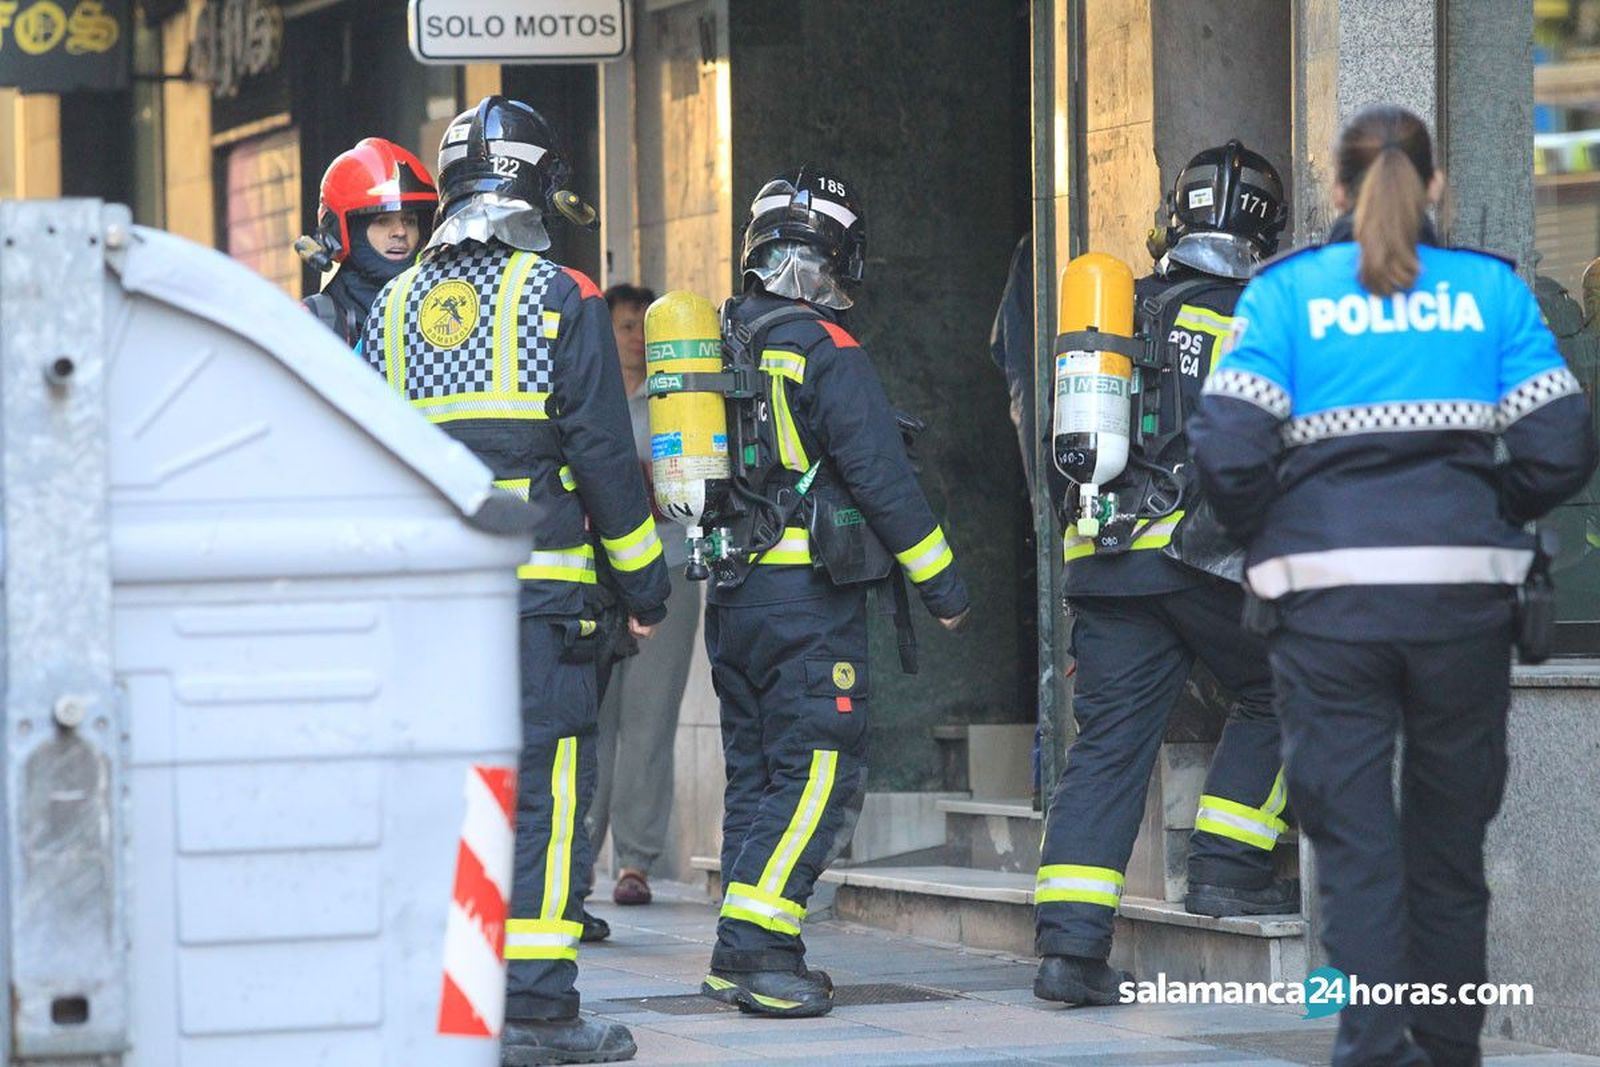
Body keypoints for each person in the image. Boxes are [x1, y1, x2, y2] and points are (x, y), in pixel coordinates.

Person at [1189, 105, 1597, 1067]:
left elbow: (1226, 449)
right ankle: (1451, 1049)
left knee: (1358, 846)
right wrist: (1486, 499)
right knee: (1450, 852)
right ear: (1437, 185)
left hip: (1327, 612)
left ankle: (1373, 1049)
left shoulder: (1284, 294)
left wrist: (1278, 529)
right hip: (1464, 607)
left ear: (1335, 190)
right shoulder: (1492, 292)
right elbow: (1563, 443)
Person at [362, 96, 670, 1067]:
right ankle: (537, 1009)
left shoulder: (394, 302)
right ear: (539, 184)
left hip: (427, 609)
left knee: (448, 794)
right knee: (542, 795)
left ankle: (448, 995)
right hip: (539, 608)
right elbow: (606, 464)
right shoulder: (558, 297)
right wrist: (646, 589)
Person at [1033, 140, 1299, 1008]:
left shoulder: (1116, 320)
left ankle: (1070, 952)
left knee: (1108, 746)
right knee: (1295, 684)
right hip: (1210, 561)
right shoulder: (1271, 317)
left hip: (1108, 565)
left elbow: (1060, 458)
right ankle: (1225, 866)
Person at [699, 167, 970, 1018]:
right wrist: (946, 585)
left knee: (759, 773)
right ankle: (764, 951)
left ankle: (733, 947)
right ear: (832, 256)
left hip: (733, 598)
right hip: (805, 604)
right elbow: (881, 480)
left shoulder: (720, 338)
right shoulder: (825, 347)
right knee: (819, 767)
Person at [586, 282, 703, 909]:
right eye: (623, 326)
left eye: (641, 327)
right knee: (592, 719)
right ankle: (579, 860)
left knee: (649, 721)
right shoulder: (586, 391)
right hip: (598, 577)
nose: (633, 338)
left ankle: (635, 861)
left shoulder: (676, 397)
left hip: (671, 568)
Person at [297, 137, 436, 347]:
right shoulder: (315, 322)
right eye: (382, 221)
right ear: (346, 230)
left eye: (409, 221)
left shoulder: (439, 307)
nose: (400, 232)